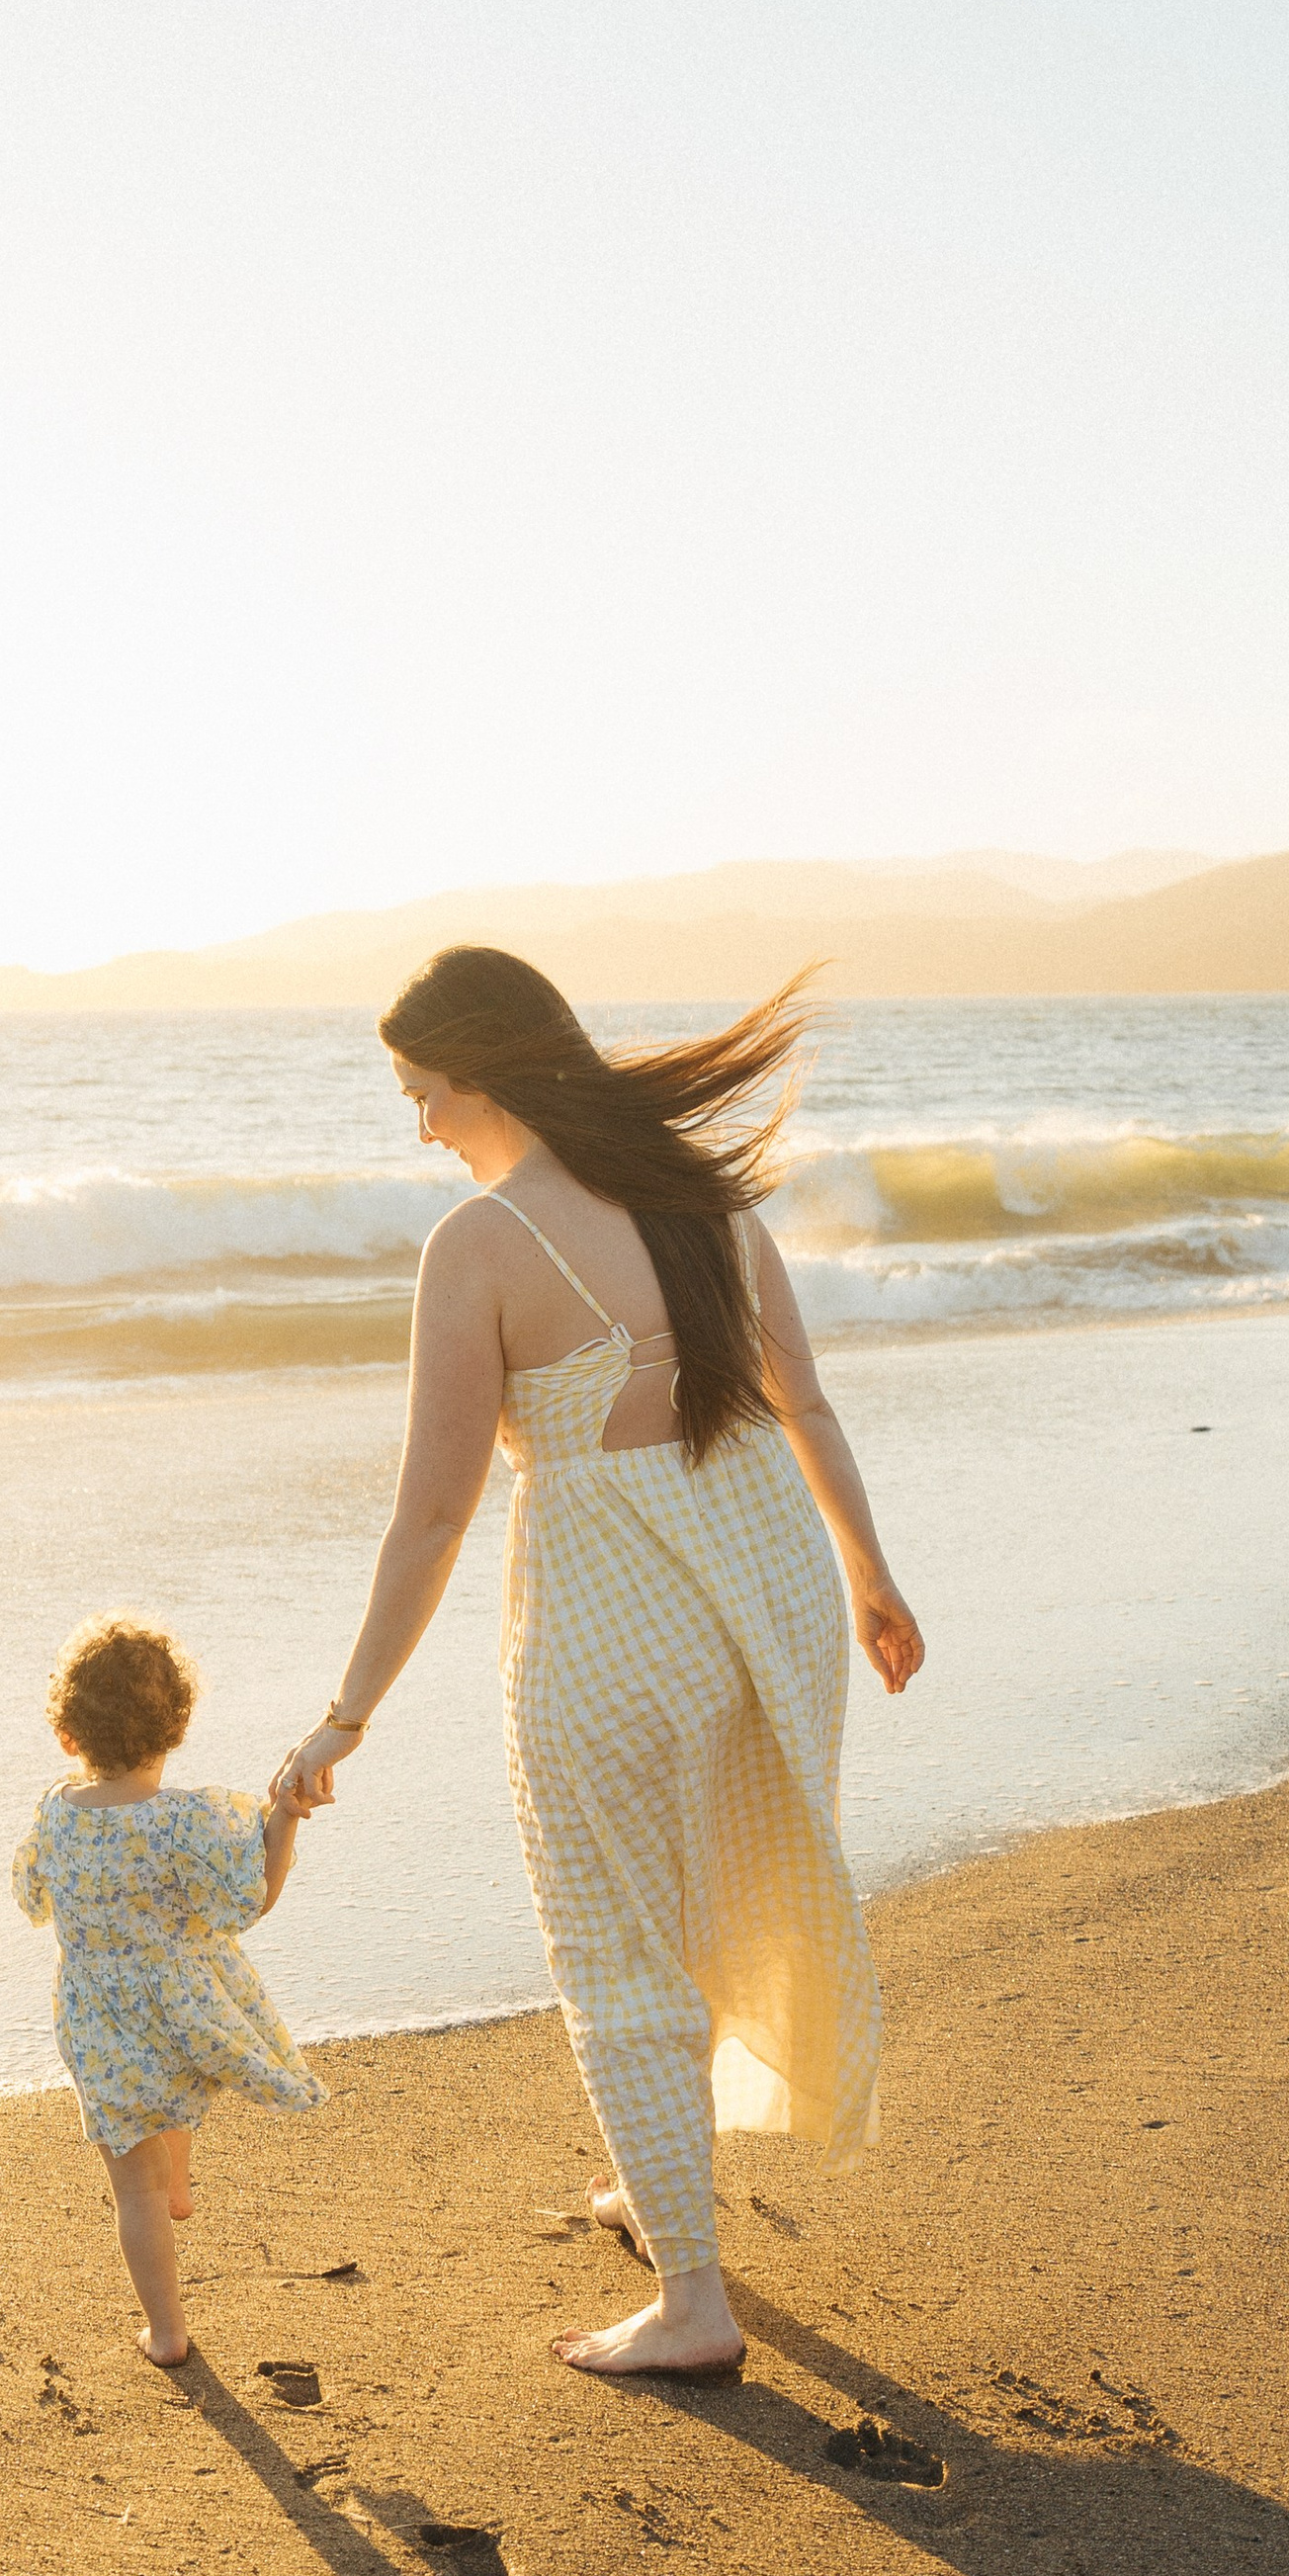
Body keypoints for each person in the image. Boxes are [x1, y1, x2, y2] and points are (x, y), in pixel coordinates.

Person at [274, 948, 922, 2382]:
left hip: (611, 1614)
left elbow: (434, 1509)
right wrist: (872, 1576)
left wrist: (345, 1717)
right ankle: (654, 2186)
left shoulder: (483, 1246)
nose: (421, 1127)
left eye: (423, 1094)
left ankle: (694, 2305)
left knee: (617, 1936)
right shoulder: (708, 1201)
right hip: (771, 1599)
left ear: (481, 1076)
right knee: (696, 1900)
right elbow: (800, 1399)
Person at [14, 1611, 323, 2366]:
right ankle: (176, 2181)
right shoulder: (189, 1820)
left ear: (68, 1736)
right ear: (177, 1727)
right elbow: (252, 1895)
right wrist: (285, 1817)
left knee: (135, 2190)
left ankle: (166, 2330)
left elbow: (30, 1896)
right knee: (182, 2076)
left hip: (98, 2017)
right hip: (185, 2002)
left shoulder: (57, 1812)